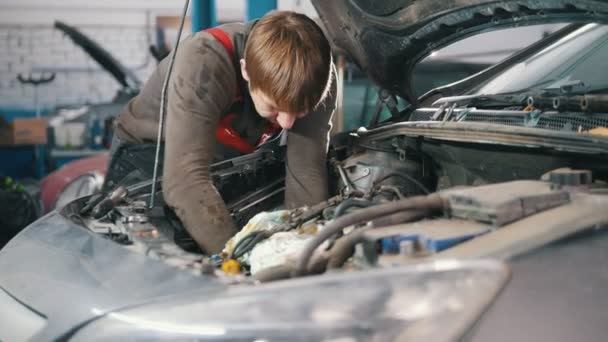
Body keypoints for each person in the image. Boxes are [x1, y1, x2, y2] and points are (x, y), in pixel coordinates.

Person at [111, 11, 336, 254]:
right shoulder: (203, 62)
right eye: (274, 107)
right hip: (149, 161)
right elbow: (185, 182)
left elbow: (307, 170)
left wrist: (303, 246)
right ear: (246, 71)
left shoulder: (315, 76)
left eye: (301, 111)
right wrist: (239, 262)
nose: (288, 123)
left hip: (225, 161)